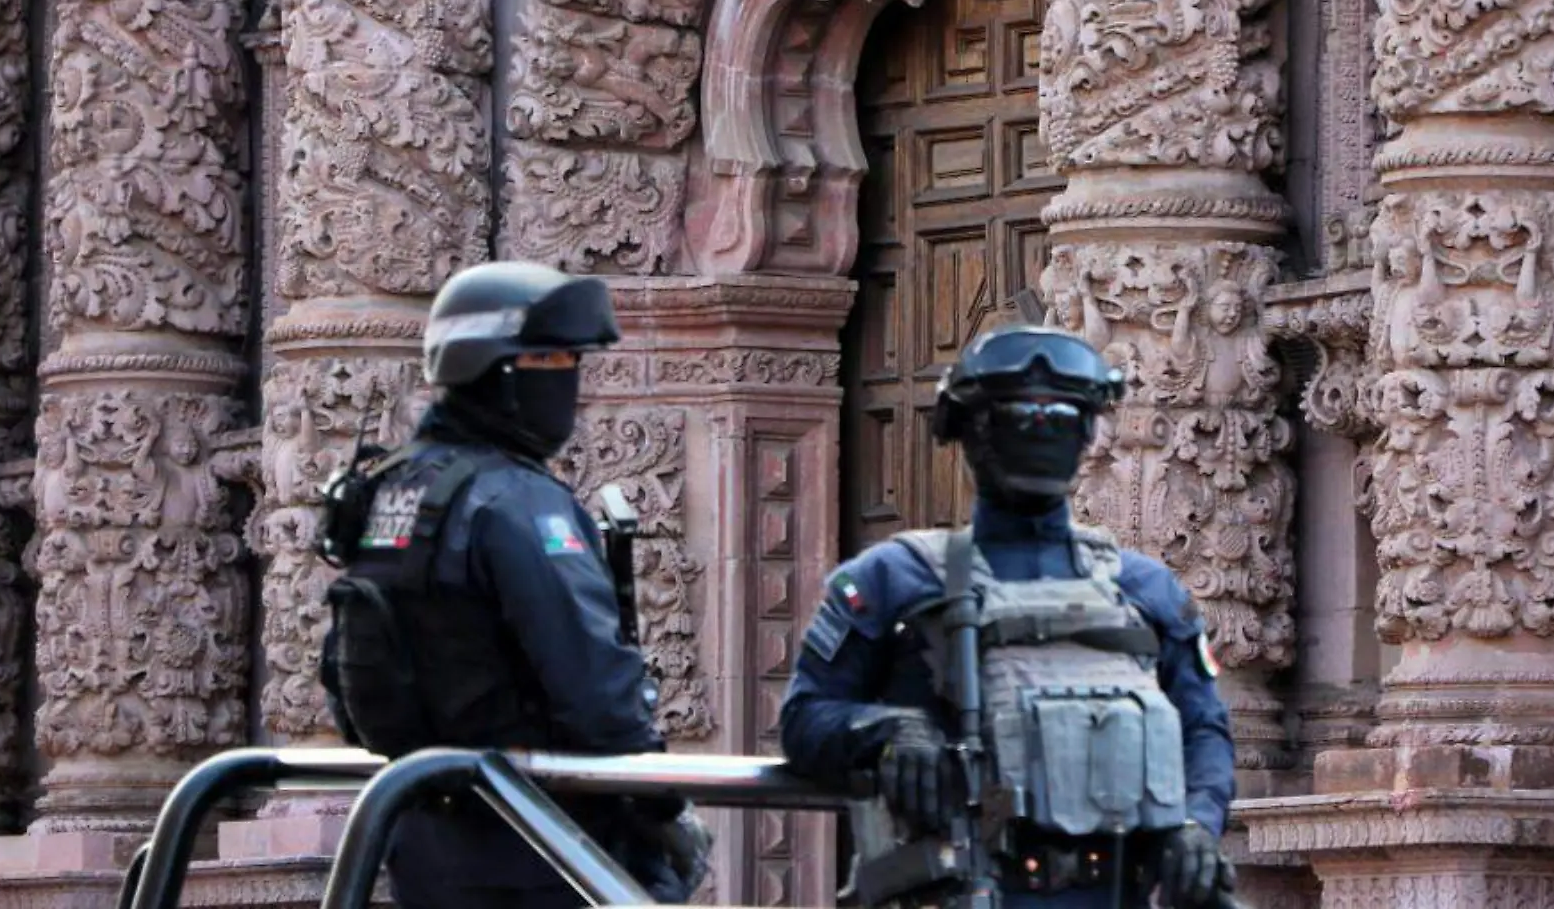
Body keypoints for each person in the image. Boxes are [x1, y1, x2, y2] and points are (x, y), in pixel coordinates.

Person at [779, 324, 1238, 909]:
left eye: (1058, 412)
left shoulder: (1145, 591)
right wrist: (887, 732)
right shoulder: (894, 579)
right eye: (1022, 412)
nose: (1041, 424)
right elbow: (804, 718)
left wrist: (1197, 824)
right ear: (972, 432)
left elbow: (1204, 732)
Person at [317, 260, 708, 909]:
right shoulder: (516, 502)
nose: (573, 383)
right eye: (558, 361)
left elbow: (345, 673)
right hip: (536, 836)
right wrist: (662, 805)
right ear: (502, 370)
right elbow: (595, 689)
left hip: (424, 829)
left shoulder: (388, 486)